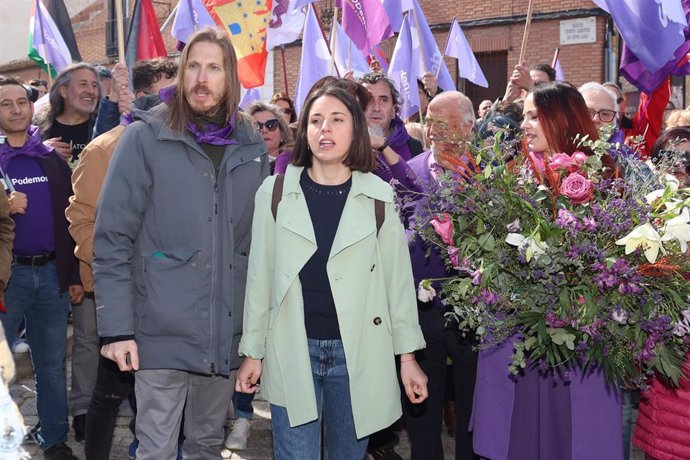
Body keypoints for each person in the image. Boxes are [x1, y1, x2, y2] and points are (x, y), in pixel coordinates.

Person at [93, 26, 269, 459]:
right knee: (155, 448)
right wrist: (117, 328)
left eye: (213, 67)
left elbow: (259, 251)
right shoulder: (145, 136)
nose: (201, 78)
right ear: (181, 73)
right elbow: (113, 237)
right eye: (193, 66)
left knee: (207, 446)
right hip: (159, 329)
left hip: (224, 333)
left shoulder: (252, 146)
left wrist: (256, 339)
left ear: (230, 77)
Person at [236, 85, 428, 459]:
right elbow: (260, 278)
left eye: (337, 120)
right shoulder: (274, 192)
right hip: (292, 349)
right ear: (304, 130)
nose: (325, 128)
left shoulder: (378, 195)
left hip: (358, 354)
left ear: (355, 130)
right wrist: (252, 353)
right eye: (316, 120)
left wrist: (408, 359)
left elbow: (398, 284)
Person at [472, 81, 622, 460]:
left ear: (562, 119)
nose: (525, 125)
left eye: (535, 116)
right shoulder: (509, 177)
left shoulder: (605, 181)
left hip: (578, 342)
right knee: (517, 438)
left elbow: (616, 263)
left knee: (572, 439)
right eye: (524, 116)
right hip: (517, 338)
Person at [66, 58, 180, 460]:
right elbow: (82, 218)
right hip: (124, 295)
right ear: (143, 94)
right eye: (168, 89)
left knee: (162, 389)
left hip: (170, 293)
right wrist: (111, 274)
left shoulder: (187, 144)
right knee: (111, 390)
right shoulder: (105, 147)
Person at [0, 75, 83, 460]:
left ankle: (54, 437)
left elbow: (71, 219)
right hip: (7, 278)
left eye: (22, 102)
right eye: (6, 104)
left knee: (50, 366)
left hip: (51, 276)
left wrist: (74, 275)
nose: (16, 110)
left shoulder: (50, 159)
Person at [405, 91, 481, 460]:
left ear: (468, 127)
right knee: (422, 403)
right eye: (430, 120)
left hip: (475, 314)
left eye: (444, 121)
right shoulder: (409, 170)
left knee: (472, 403)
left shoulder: (488, 175)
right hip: (420, 314)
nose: (433, 129)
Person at [633, 126, 690, 460]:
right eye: (668, 158)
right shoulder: (641, 215)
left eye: (687, 159)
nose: (679, 167)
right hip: (665, 376)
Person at [34, 63, 101, 167]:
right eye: (83, 84)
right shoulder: (37, 127)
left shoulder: (104, 126)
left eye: (94, 85)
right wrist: (42, 150)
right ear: (63, 91)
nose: (91, 91)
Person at [359, 72, 424, 159]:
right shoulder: (344, 145)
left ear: (394, 110)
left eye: (383, 100)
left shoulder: (413, 147)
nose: (376, 108)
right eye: (368, 99)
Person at [246, 102, 292, 175]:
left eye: (271, 125)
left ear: (282, 132)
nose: (264, 130)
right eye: (257, 126)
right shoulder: (241, 167)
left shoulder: (294, 164)